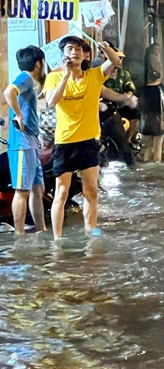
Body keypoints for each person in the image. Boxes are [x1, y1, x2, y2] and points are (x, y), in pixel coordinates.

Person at [44, 36, 123, 239]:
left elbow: (115, 62)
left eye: (79, 49)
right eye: (71, 49)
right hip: (64, 143)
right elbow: (51, 101)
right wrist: (65, 75)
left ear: (84, 54)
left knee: (91, 192)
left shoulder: (94, 76)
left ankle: (91, 233)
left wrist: (106, 49)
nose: (75, 52)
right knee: (60, 193)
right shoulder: (53, 77)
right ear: (63, 54)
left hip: (88, 142)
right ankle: (57, 240)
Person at [3, 46, 48, 235]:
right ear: (38, 63)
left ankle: (41, 229)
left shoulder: (30, 83)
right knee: (22, 191)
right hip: (21, 145)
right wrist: (19, 116)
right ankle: (19, 235)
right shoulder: (25, 78)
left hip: (31, 144)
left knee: (38, 189)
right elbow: (8, 92)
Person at [102, 45, 140, 144]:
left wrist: (129, 95)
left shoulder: (124, 74)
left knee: (135, 112)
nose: (118, 61)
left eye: (120, 58)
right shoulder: (102, 73)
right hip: (107, 104)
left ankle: (130, 138)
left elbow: (130, 86)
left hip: (122, 103)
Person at [141, 70, 164, 162]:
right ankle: (156, 165)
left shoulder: (142, 89)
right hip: (158, 120)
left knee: (147, 147)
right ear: (159, 78)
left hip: (145, 120)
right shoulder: (162, 89)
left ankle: (147, 165)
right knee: (157, 148)